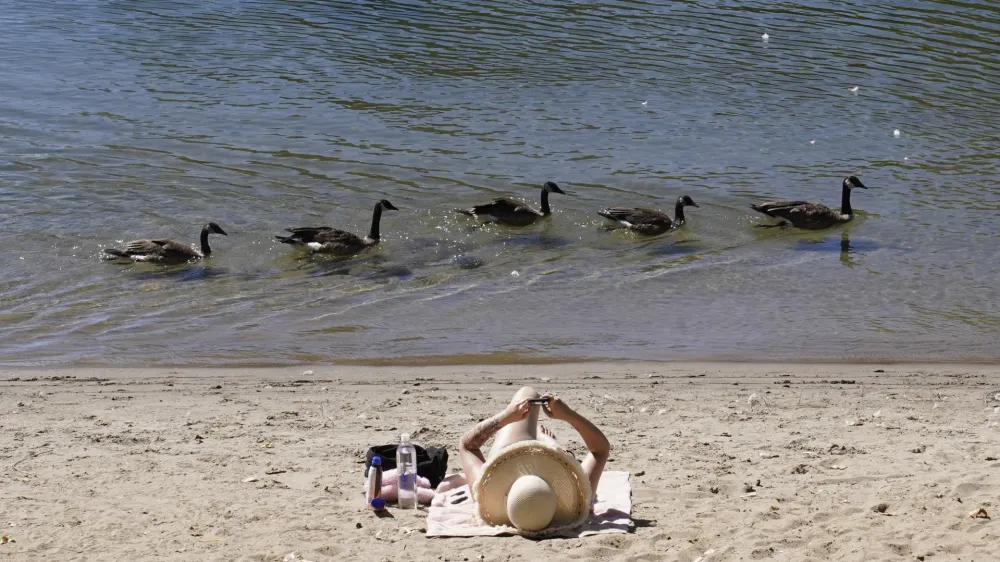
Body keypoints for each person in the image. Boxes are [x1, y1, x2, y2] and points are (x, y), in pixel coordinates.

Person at [458, 386, 611, 534]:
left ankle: (549, 445)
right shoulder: (580, 501)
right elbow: (601, 449)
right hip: (528, 459)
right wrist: (567, 414)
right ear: (555, 500)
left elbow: (466, 445)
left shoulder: (483, 496)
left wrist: (507, 416)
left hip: (511, 449)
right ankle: (549, 443)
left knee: (528, 393)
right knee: (531, 400)